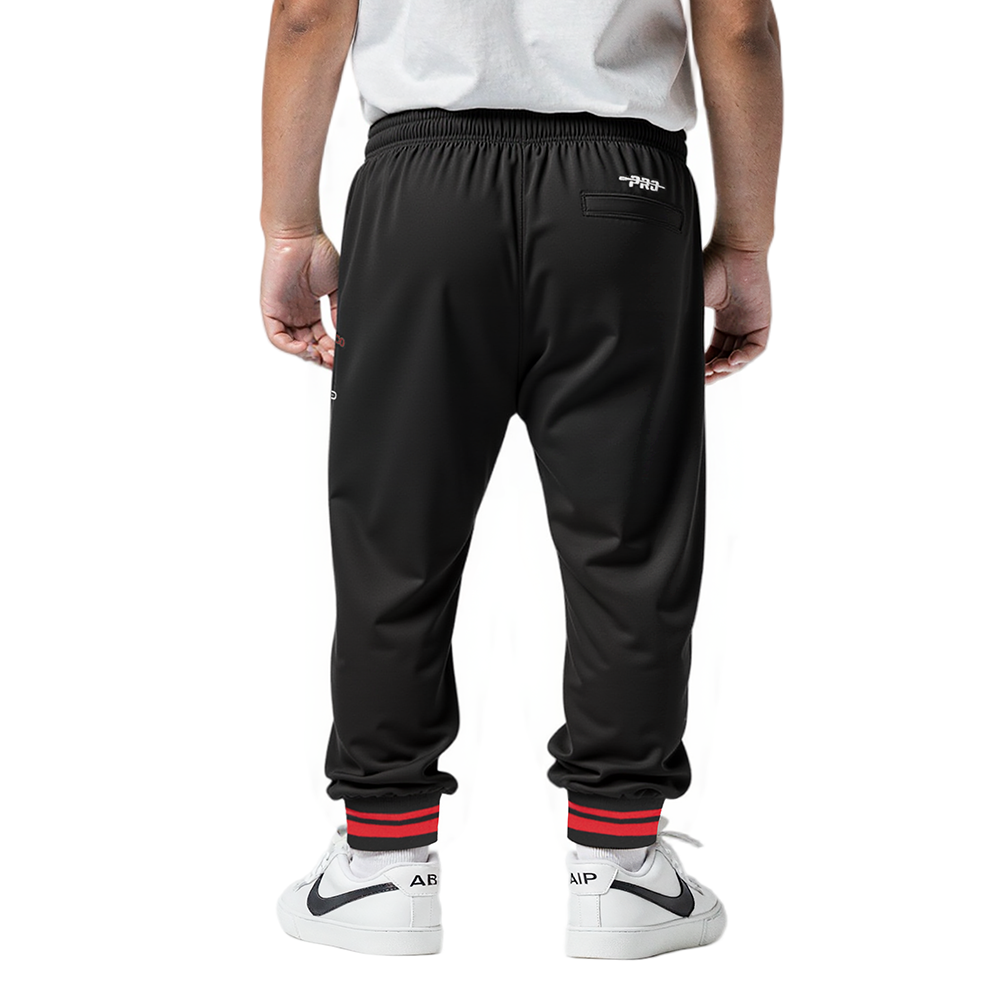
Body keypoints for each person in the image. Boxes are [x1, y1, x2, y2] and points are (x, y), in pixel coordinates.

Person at [261, 0, 781, 960]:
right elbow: (739, 23)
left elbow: (307, 15)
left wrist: (289, 227)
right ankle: (622, 871)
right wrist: (745, 245)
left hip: (422, 194)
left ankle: (381, 863)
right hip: (622, 195)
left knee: (394, 537)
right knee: (630, 543)